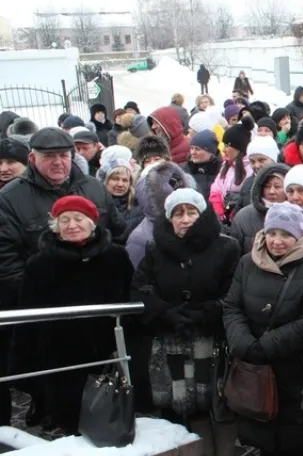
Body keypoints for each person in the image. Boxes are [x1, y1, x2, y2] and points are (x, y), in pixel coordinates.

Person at [9, 196, 133, 433]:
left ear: (92, 223)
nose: (72, 225)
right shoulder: (39, 264)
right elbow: (26, 317)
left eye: (79, 219)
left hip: (106, 353)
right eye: (64, 220)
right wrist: (22, 365)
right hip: (59, 358)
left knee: (106, 419)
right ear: (56, 227)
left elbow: (130, 297)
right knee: (66, 422)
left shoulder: (115, 257)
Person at [131, 188, 240, 455]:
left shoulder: (226, 246)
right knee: (187, 406)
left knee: (219, 402)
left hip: (212, 338)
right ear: (169, 218)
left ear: (202, 215)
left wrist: (209, 311)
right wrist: (164, 311)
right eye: (178, 213)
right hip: (173, 338)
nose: (185, 218)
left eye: (191, 211)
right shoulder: (156, 248)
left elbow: (234, 289)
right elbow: (141, 287)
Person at [222, 202, 303, 456]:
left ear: (298, 236)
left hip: (294, 371)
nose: (277, 241)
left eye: (286, 234)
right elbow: (232, 306)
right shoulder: (246, 263)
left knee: (292, 439)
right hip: (253, 367)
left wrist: (267, 345)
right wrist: (241, 341)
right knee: (257, 432)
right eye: (272, 233)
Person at [0, 127, 122, 299]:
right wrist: (37, 296)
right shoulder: (9, 199)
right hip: (48, 303)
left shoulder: (94, 187)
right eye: (49, 156)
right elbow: (7, 263)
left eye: (63, 155)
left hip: (100, 299)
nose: (57, 162)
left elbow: (118, 234)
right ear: (32, 158)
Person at [211, 116, 253, 222]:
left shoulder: (250, 168)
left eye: (227, 146)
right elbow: (216, 189)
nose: (224, 150)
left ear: (239, 147)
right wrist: (219, 212)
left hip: (239, 220)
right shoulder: (227, 164)